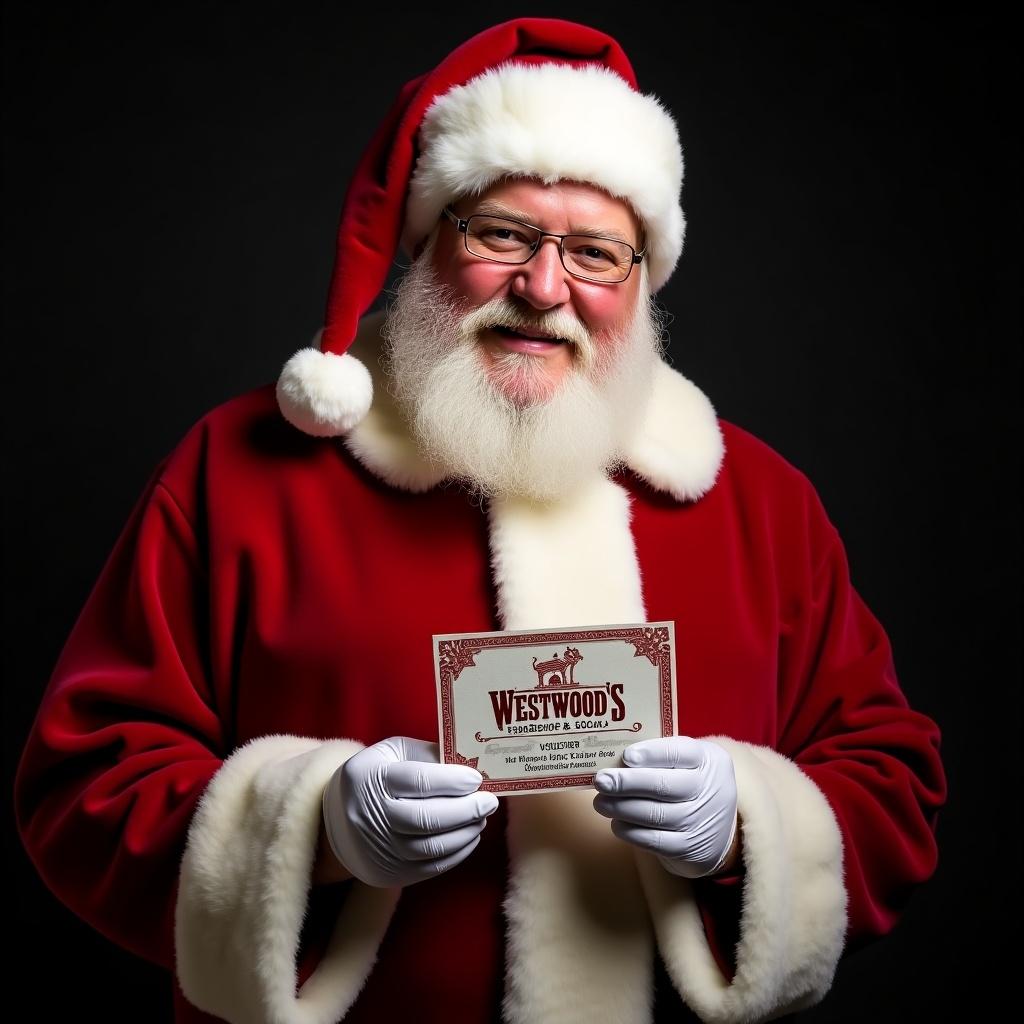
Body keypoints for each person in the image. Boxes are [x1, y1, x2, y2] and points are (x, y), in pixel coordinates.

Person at [13, 17, 946, 1024]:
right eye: (501, 232)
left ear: (643, 281)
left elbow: (890, 784)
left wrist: (745, 829)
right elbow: (83, 782)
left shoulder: (759, 500)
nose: (545, 289)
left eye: (595, 252)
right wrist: (315, 829)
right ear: (425, 240)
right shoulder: (236, 472)